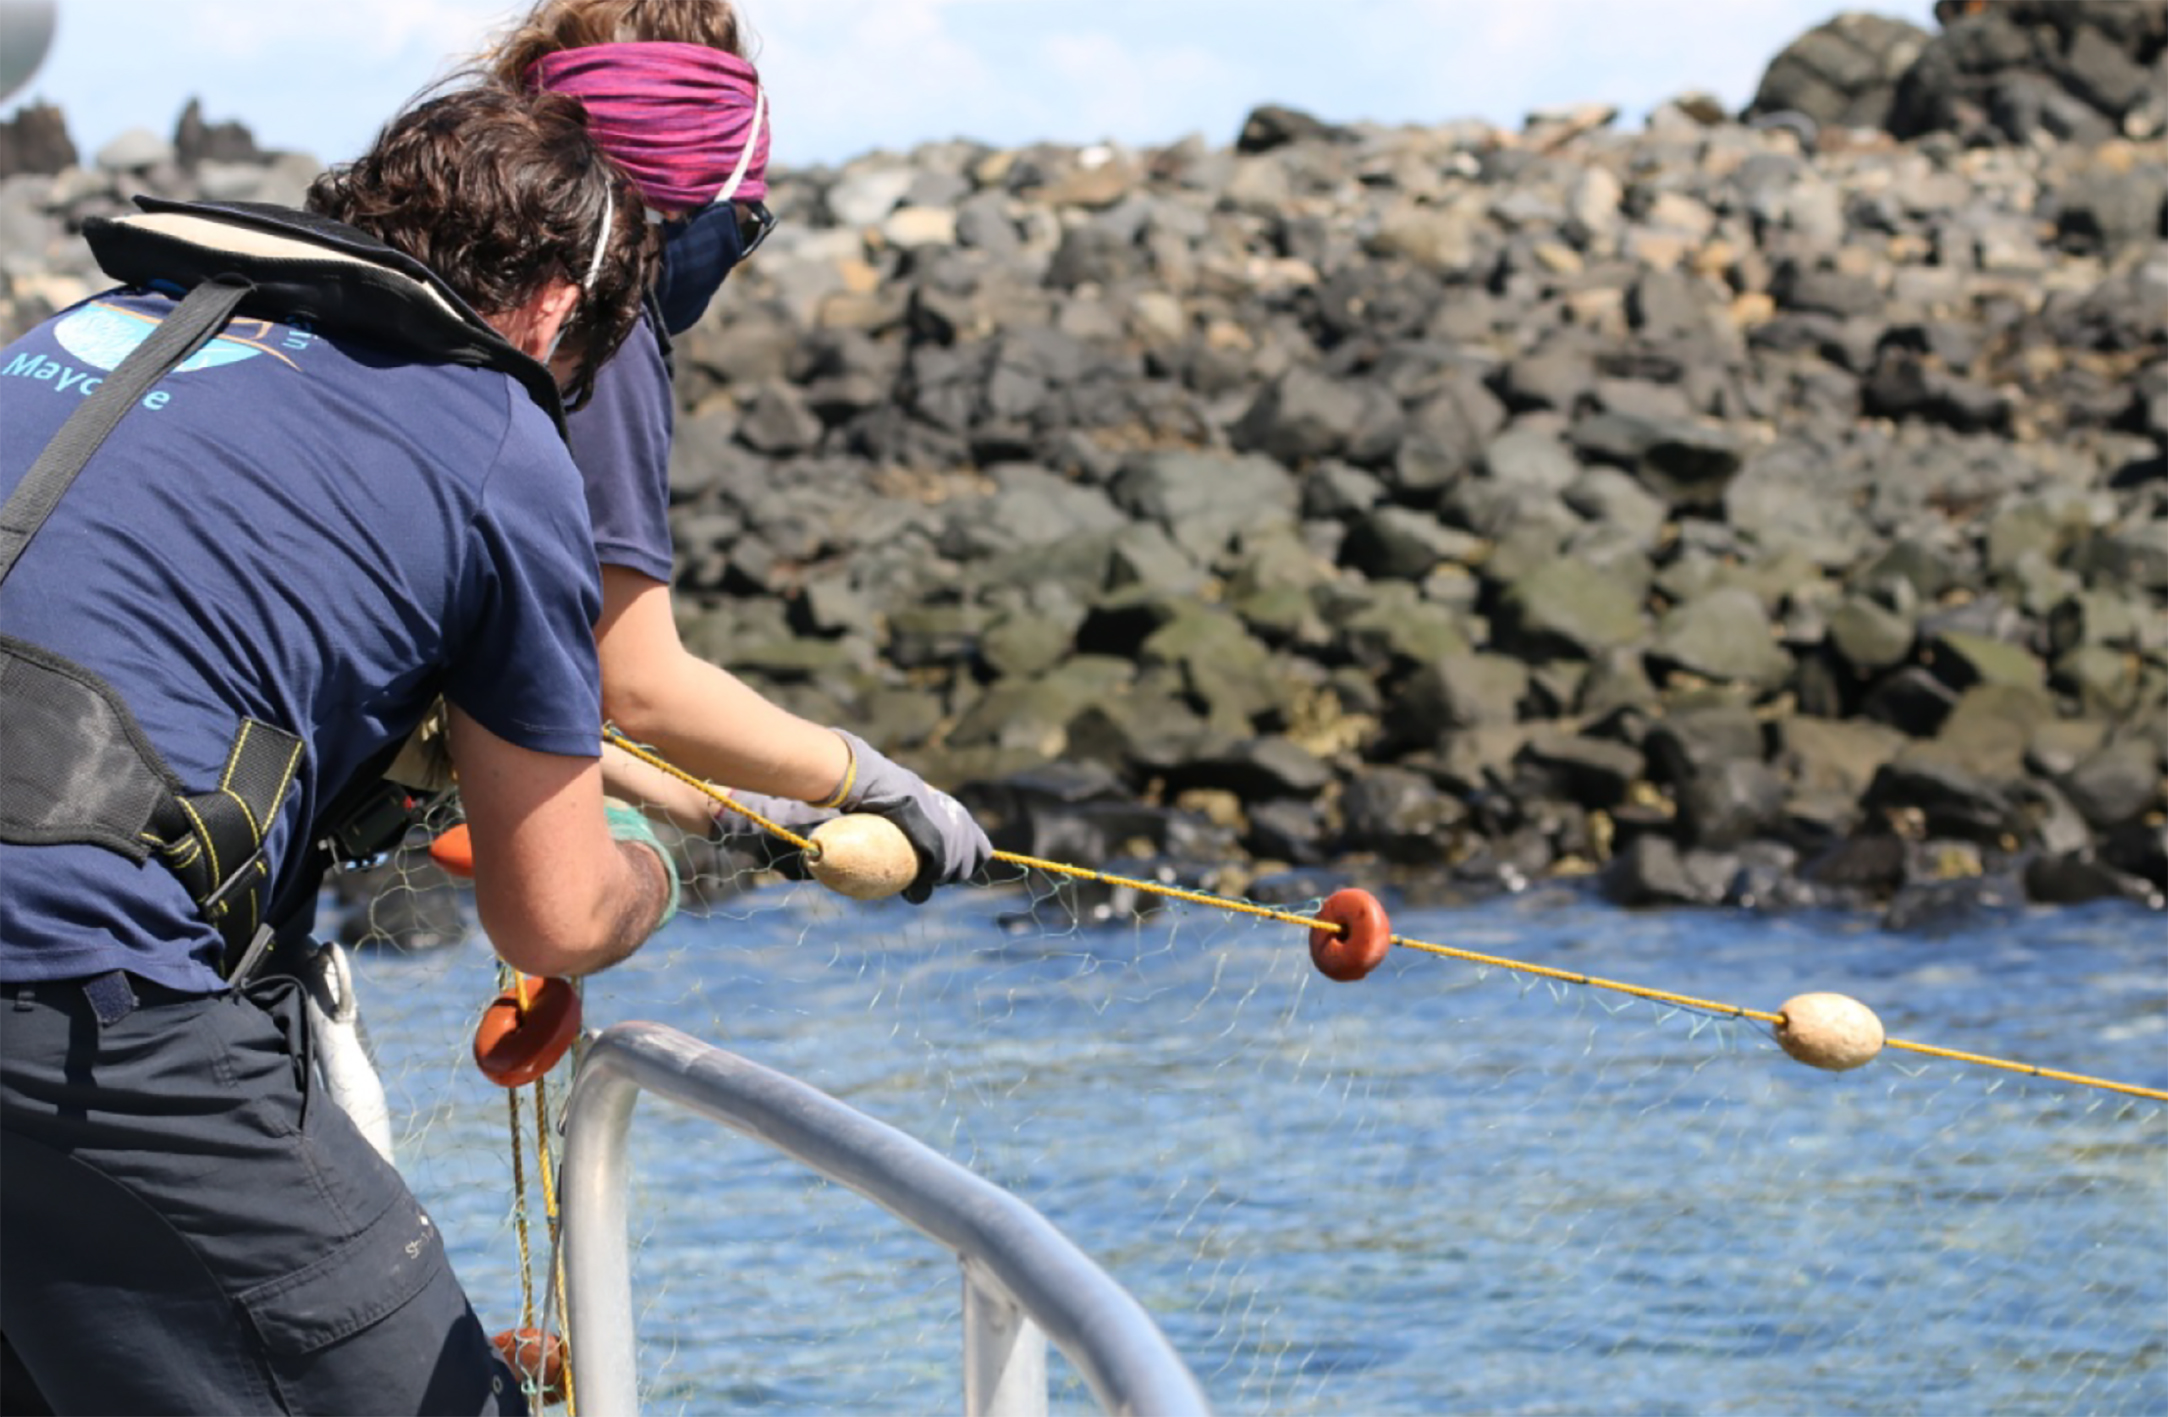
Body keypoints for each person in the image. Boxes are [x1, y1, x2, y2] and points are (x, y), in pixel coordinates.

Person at [0, 85, 672, 1415]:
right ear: (553, 307)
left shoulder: (87, 328)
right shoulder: (496, 436)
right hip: (77, 993)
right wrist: (645, 868)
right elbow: (554, 910)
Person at [479, 0, 994, 901]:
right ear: (700, 208)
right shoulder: (595, 326)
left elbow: (485, 679)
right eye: (746, 229)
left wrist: (727, 809)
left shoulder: (449, 277)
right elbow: (636, 687)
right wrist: (868, 778)